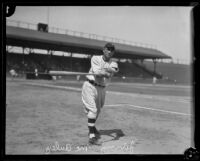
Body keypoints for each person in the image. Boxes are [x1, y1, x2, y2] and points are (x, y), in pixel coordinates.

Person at [81, 43, 119, 145]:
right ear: (104, 50)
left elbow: (114, 70)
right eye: (108, 49)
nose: (110, 51)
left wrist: (108, 71)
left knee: (97, 111)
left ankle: (92, 127)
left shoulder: (113, 63)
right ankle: (92, 136)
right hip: (90, 86)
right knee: (92, 110)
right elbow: (98, 73)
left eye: (112, 50)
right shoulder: (95, 58)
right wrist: (106, 72)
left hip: (102, 89)